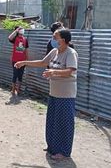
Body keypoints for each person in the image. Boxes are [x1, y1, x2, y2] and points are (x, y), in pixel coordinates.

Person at [15, 29, 78, 160]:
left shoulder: (71, 53)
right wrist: (24, 62)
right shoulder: (54, 51)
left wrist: (53, 72)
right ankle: (52, 147)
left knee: (64, 123)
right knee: (52, 121)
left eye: (56, 37)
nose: (53, 40)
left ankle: (64, 152)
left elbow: (71, 71)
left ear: (64, 40)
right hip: (54, 93)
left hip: (66, 95)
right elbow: (43, 63)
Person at [8, 26, 29, 95]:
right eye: (20, 29)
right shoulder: (15, 38)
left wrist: (27, 60)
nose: (21, 30)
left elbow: (26, 50)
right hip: (15, 60)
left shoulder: (25, 39)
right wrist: (16, 31)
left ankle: (18, 90)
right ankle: (13, 90)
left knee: (20, 75)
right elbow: (10, 38)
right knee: (15, 75)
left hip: (22, 60)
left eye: (21, 29)